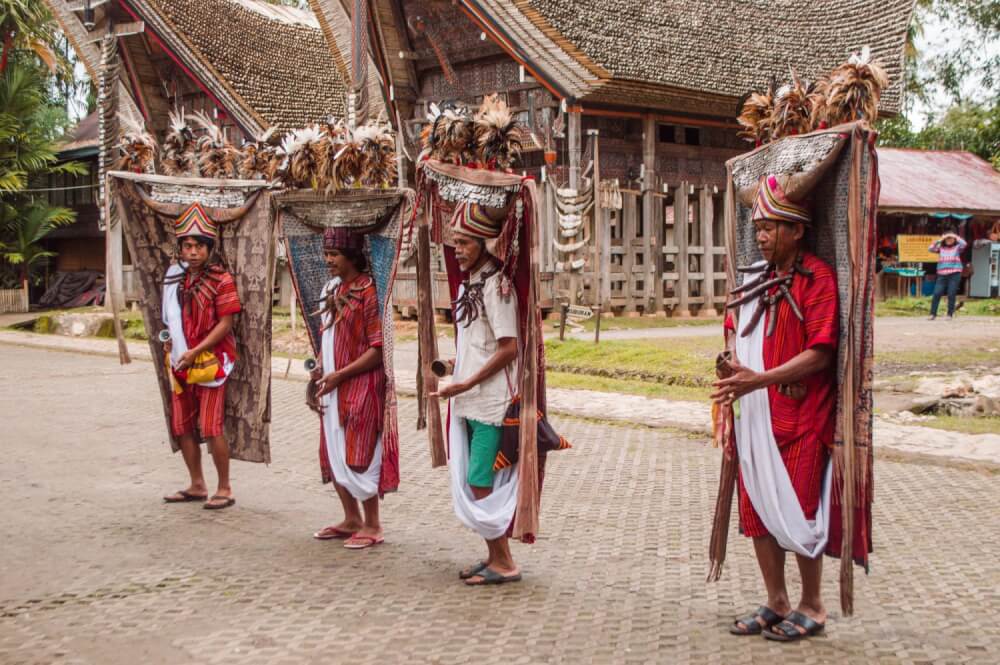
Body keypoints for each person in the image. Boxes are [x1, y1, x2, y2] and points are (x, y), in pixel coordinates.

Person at [712, 175, 839, 641]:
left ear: (797, 230)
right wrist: (730, 357)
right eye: (757, 227)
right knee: (759, 511)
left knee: (800, 511)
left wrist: (760, 379)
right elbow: (732, 323)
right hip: (753, 417)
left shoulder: (818, 279)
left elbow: (822, 352)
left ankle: (813, 605)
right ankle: (776, 600)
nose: (761, 236)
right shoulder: (753, 279)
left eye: (770, 227)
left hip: (802, 418)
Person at [432, 202, 522, 586]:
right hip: (468, 396)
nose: (458, 251)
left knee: (480, 480)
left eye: (465, 243)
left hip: (490, 402)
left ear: (484, 242)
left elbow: (509, 347)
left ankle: (504, 562)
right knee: (477, 478)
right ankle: (493, 556)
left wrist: (466, 382)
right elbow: (480, 344)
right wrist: (455, 367)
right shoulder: (471, 283)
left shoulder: (497, 285)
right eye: (455, 244)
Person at [311, 227, 388, 550]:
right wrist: (318, 365)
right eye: (326, 253)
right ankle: (351, 517)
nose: (327, 260)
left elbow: (377, 348)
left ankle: (372, 524)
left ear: (352, 256)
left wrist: (341, 374)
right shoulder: (330, 288)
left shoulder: (369, 292)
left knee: (360, 453)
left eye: (334, 254)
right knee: (333, 450)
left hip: (361, 384)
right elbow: (326, 336)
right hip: (332, 383)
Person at [161, 202, 241, 510]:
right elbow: (168, 319)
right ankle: (196, 484)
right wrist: (169, 342)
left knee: (211, 426)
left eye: (198, 246)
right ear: (180, 247)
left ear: (209, 249)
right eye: (187, 245)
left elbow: (226, 323)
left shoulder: (222, 280)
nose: (192, 251)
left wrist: (196, 350)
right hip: (180, 361)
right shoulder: (173, 278)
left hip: (211, 363)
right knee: (182, 425)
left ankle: (225, 487)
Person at [928, 230, 967, 320]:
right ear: (944, 240)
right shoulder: (941, 248)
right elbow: (930, 248)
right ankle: (932, 314)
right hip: (942, 274)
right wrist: (941, 239)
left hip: (954, 273)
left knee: (951, 293)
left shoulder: (957, 247)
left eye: (951, 238)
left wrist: (955, 236)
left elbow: (964, 244)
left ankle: (949, 314)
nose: (949, 240)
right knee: (937, 293)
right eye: (947, 239)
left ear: (954, 239)